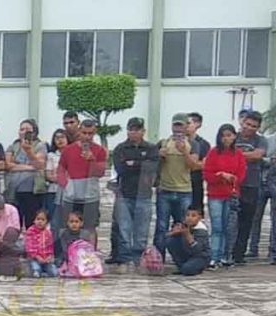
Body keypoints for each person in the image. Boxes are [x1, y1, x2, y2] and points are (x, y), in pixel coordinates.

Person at [112, 117, 159, 269]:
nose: (134, 132)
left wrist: (134, 163)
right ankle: (125, 260)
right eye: (131, 129)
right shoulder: (120, 148)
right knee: (124, 230)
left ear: (143, 131)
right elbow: (121, 169)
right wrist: (140, 164)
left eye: (137, 129)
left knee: (142, 231)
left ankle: (139, 259)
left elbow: (151, 167)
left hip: (144, 195)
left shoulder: (151, 148)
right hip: (124, 194)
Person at [153, 113, 201, 262]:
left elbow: (193, 166)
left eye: (181, 125)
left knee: (184, 226)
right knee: (161, 226)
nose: (178, 129)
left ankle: (182, 257)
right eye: (176, 125)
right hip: (165, 190)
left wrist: (184, 151)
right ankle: (158, 259)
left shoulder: (193, 144)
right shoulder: (163, 142)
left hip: (184, 191)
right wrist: (159, 156)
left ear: (187, 126)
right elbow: (153, 167)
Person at [55, 119, 107, 247]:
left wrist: (92, 160)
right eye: (84, 133)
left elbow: (100, 172)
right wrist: (64, 183)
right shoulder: (68, 150)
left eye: (90, 133)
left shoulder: (99, 150)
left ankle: (91, 255)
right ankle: (67, 255)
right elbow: (61, 168)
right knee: (67, 225)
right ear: (79, 131)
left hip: (90, 195)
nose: (87, 137)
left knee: (90, 226)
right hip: (71, 195)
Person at [203, 124, 246, 269]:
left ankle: (226, 256)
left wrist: (232, 178)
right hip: (215, 194)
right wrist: (220, 175)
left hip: (231, 195)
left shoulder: (238, 154)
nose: (226, 138)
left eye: (229, 135)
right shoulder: (213, 153)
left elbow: (241, 174)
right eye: (223, 135)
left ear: (234, 136)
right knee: (217, 227)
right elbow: (207, 174)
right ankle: (214, 257)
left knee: (229, 227)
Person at [233, 110, 268, 264]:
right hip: (232, 185)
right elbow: (224, 153)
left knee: (246, 222)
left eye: (254, 126)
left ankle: (239, 254)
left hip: (251, 186)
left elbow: (258, 155)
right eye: (247, 124)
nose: (249, 128)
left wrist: (236, 155)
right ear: (242, 122)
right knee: (231, 222)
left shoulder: (261, 140)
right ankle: (227, 252)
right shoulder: (232, 137)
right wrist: (246, 155)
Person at [4, 119, 47, 229]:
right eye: (21, 129)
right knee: (14, 223)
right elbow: (8, 165)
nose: (24, 132)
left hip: (32, 190)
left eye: (27, 130)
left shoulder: (40, 145)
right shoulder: (13, 146)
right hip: (13, 190)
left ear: (34, 132)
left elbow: (39, 165)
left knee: (31, 222)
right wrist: (29, 167)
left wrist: (29, 151)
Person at [250, 133, 275, 260]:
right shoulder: (268, 140)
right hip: (261, 181)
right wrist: (270, 160)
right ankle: (252, 248)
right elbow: (259, 158)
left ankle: (273, 252)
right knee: (255, 217)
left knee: (274, 218)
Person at [165, 207, 210, 276]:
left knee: (187, 270)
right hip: (187, 254)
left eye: (193, 216)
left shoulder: (201, 231)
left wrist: (187, 235)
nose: (189, 218)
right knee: (170, 240)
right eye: (187, 215)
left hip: (199, 257)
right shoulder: (183, 225)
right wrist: (173, 233)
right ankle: (181, 265)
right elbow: (165, 238)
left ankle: (194, 268)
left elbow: (197, 250)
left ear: (200, 218)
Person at [187, 112, 211, 211]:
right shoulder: (174, 141)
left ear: (197, 124)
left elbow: (204, 165)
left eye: (188, 123)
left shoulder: (204, 144)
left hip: (195, 183)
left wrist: (190, 164)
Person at [43, 128, 68, 222]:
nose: (60, 140)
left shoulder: (72, 154)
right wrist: (63, 179)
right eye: (57, 138)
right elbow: (49, 175)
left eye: (62, 137)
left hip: (70, 191)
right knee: (54, 218)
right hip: (54, 190)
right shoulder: (51, 155)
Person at [25, 209, 57, 278]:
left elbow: (50, 247)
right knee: (36, 269)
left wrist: (49, 257)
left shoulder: (48, 233)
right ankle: (39, 272)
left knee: (54, 272)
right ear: (34, 220)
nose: (40, 221)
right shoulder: (30, 231)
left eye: (43, 220)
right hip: (34, 259)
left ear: (47, 222)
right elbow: (29, 247)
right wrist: (37, 257)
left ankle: (44, 273)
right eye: (38, 219)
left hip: (46, 260)